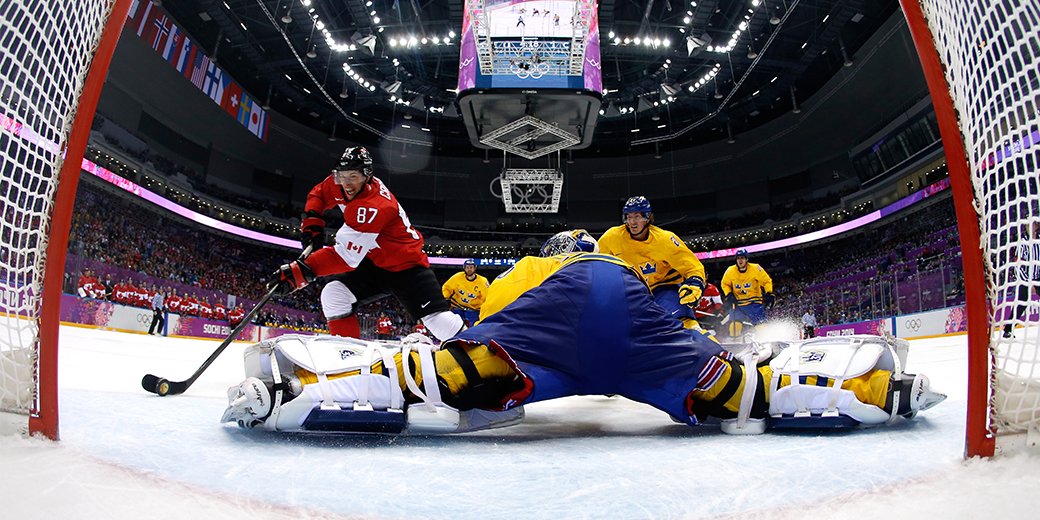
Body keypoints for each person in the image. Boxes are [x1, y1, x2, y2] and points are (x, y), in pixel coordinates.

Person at [225, 230, 946, 436]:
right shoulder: (616, 260)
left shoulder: (539, 265)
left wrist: (466, 349)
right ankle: (873, 386)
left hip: (552, 336)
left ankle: (297, 384)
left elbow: (488, 321)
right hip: (634, 329)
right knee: (737, 388)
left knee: (452, 374)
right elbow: (673, 309)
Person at [283, 146, 464, 341]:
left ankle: (476, 346)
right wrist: (312, 223)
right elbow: (318, 195)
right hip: (374, 262)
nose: (347, 183)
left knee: (438, 322)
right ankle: (349, 355)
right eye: (342, 176)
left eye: (353, 176)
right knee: (335, 294)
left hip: (407, 267)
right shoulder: (340, 184)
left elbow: (345, 257)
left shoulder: (373, 206)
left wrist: (300, 272)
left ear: (367, 176)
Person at [597, 196, 707, 330]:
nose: (632, 222)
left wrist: (694, 283)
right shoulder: (611, 238)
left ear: (647, 217)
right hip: (631, 294)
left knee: (685, 325)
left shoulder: (665, 239)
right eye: (628, 217)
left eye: (637, 216)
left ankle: (704, 342)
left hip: (664, 289)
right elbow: (596, 264)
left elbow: (692, 266)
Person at [720, 248, 774, 337]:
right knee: (734, 328)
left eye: (742, 258)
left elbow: (767, 281)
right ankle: (736, 342)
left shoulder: (756, 268)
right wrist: (729, 294)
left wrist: (769, 292)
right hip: (738, 304)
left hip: (754, 303)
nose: (740, 260)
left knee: (761, 327)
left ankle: (767, 339)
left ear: (747, 259)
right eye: (738, 258)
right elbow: (725, 284)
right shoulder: (730, 270)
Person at [1003, 218, 1040, 338]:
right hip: (1024, 278)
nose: (1030, 227)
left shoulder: (1038, 241)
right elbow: (1018, 264)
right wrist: (1029, 283)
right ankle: (1008, 330)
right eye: (1028, 225)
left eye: (1032, 224)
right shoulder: (1023, 242)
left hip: (1037, 276)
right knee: (1021, 304)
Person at [441, 259, 489, 325]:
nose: (469, 269)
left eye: (471, 267)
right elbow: (447, 287)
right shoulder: (457, 277)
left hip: (473, 310)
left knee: (473, 327)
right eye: (467, 267)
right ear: (464, 268)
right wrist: (446, 299)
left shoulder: (483, 281)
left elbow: (487, 297)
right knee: (452, 325)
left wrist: (485, 310)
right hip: (457, 306)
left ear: (475, 268)